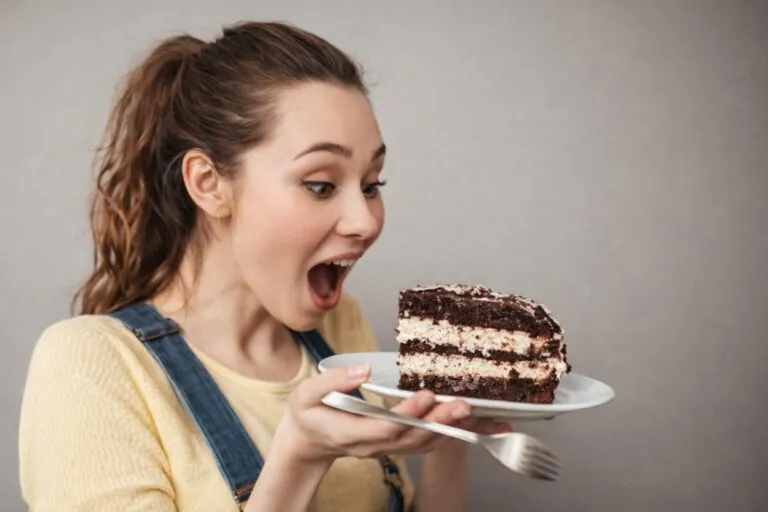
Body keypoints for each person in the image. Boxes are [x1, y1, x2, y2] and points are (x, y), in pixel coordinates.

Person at [18, 20, 509, 512]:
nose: (365, 221)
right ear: (209, 183)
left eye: (372, 184)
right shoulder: (89, 365)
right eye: (320, 184)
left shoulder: (342, 327)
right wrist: (298, 458)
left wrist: (449, 436)